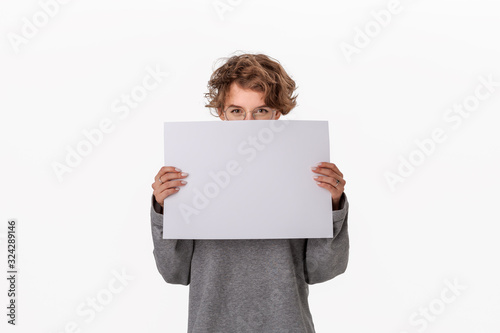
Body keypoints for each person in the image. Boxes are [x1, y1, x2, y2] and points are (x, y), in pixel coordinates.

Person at [150, 53, 349, 333]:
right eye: (236, 111)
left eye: (261, 111)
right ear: (222, 114)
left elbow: (323, 270)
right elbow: (174, 272)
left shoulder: (304, 170)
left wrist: (332, 205)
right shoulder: (193, 173)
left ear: (276, 114)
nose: (248, 122)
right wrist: (163, 209)